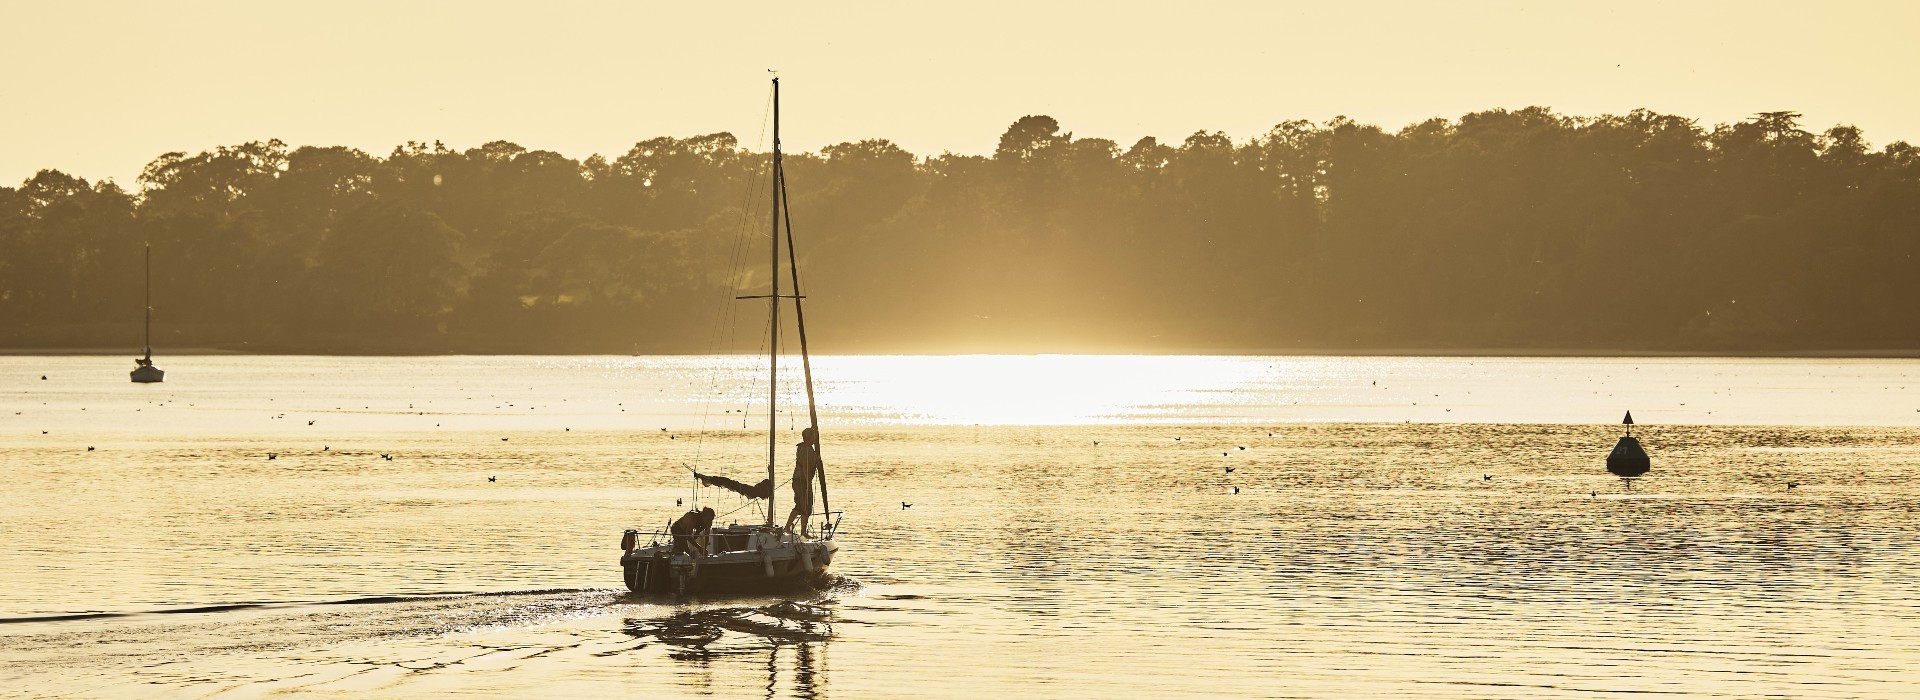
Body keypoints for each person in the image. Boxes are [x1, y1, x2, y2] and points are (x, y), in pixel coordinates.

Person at [785, 427, 821, 537]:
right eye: (814, 436)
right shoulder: (806, 449)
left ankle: (803, 532)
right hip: (802, 481)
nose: (815, 438)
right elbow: (805, 466)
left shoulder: (806, 448)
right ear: (810, 437)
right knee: (801, 505)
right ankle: (787, 527)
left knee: (806, 506)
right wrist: (808, 483)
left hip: (801, 480)